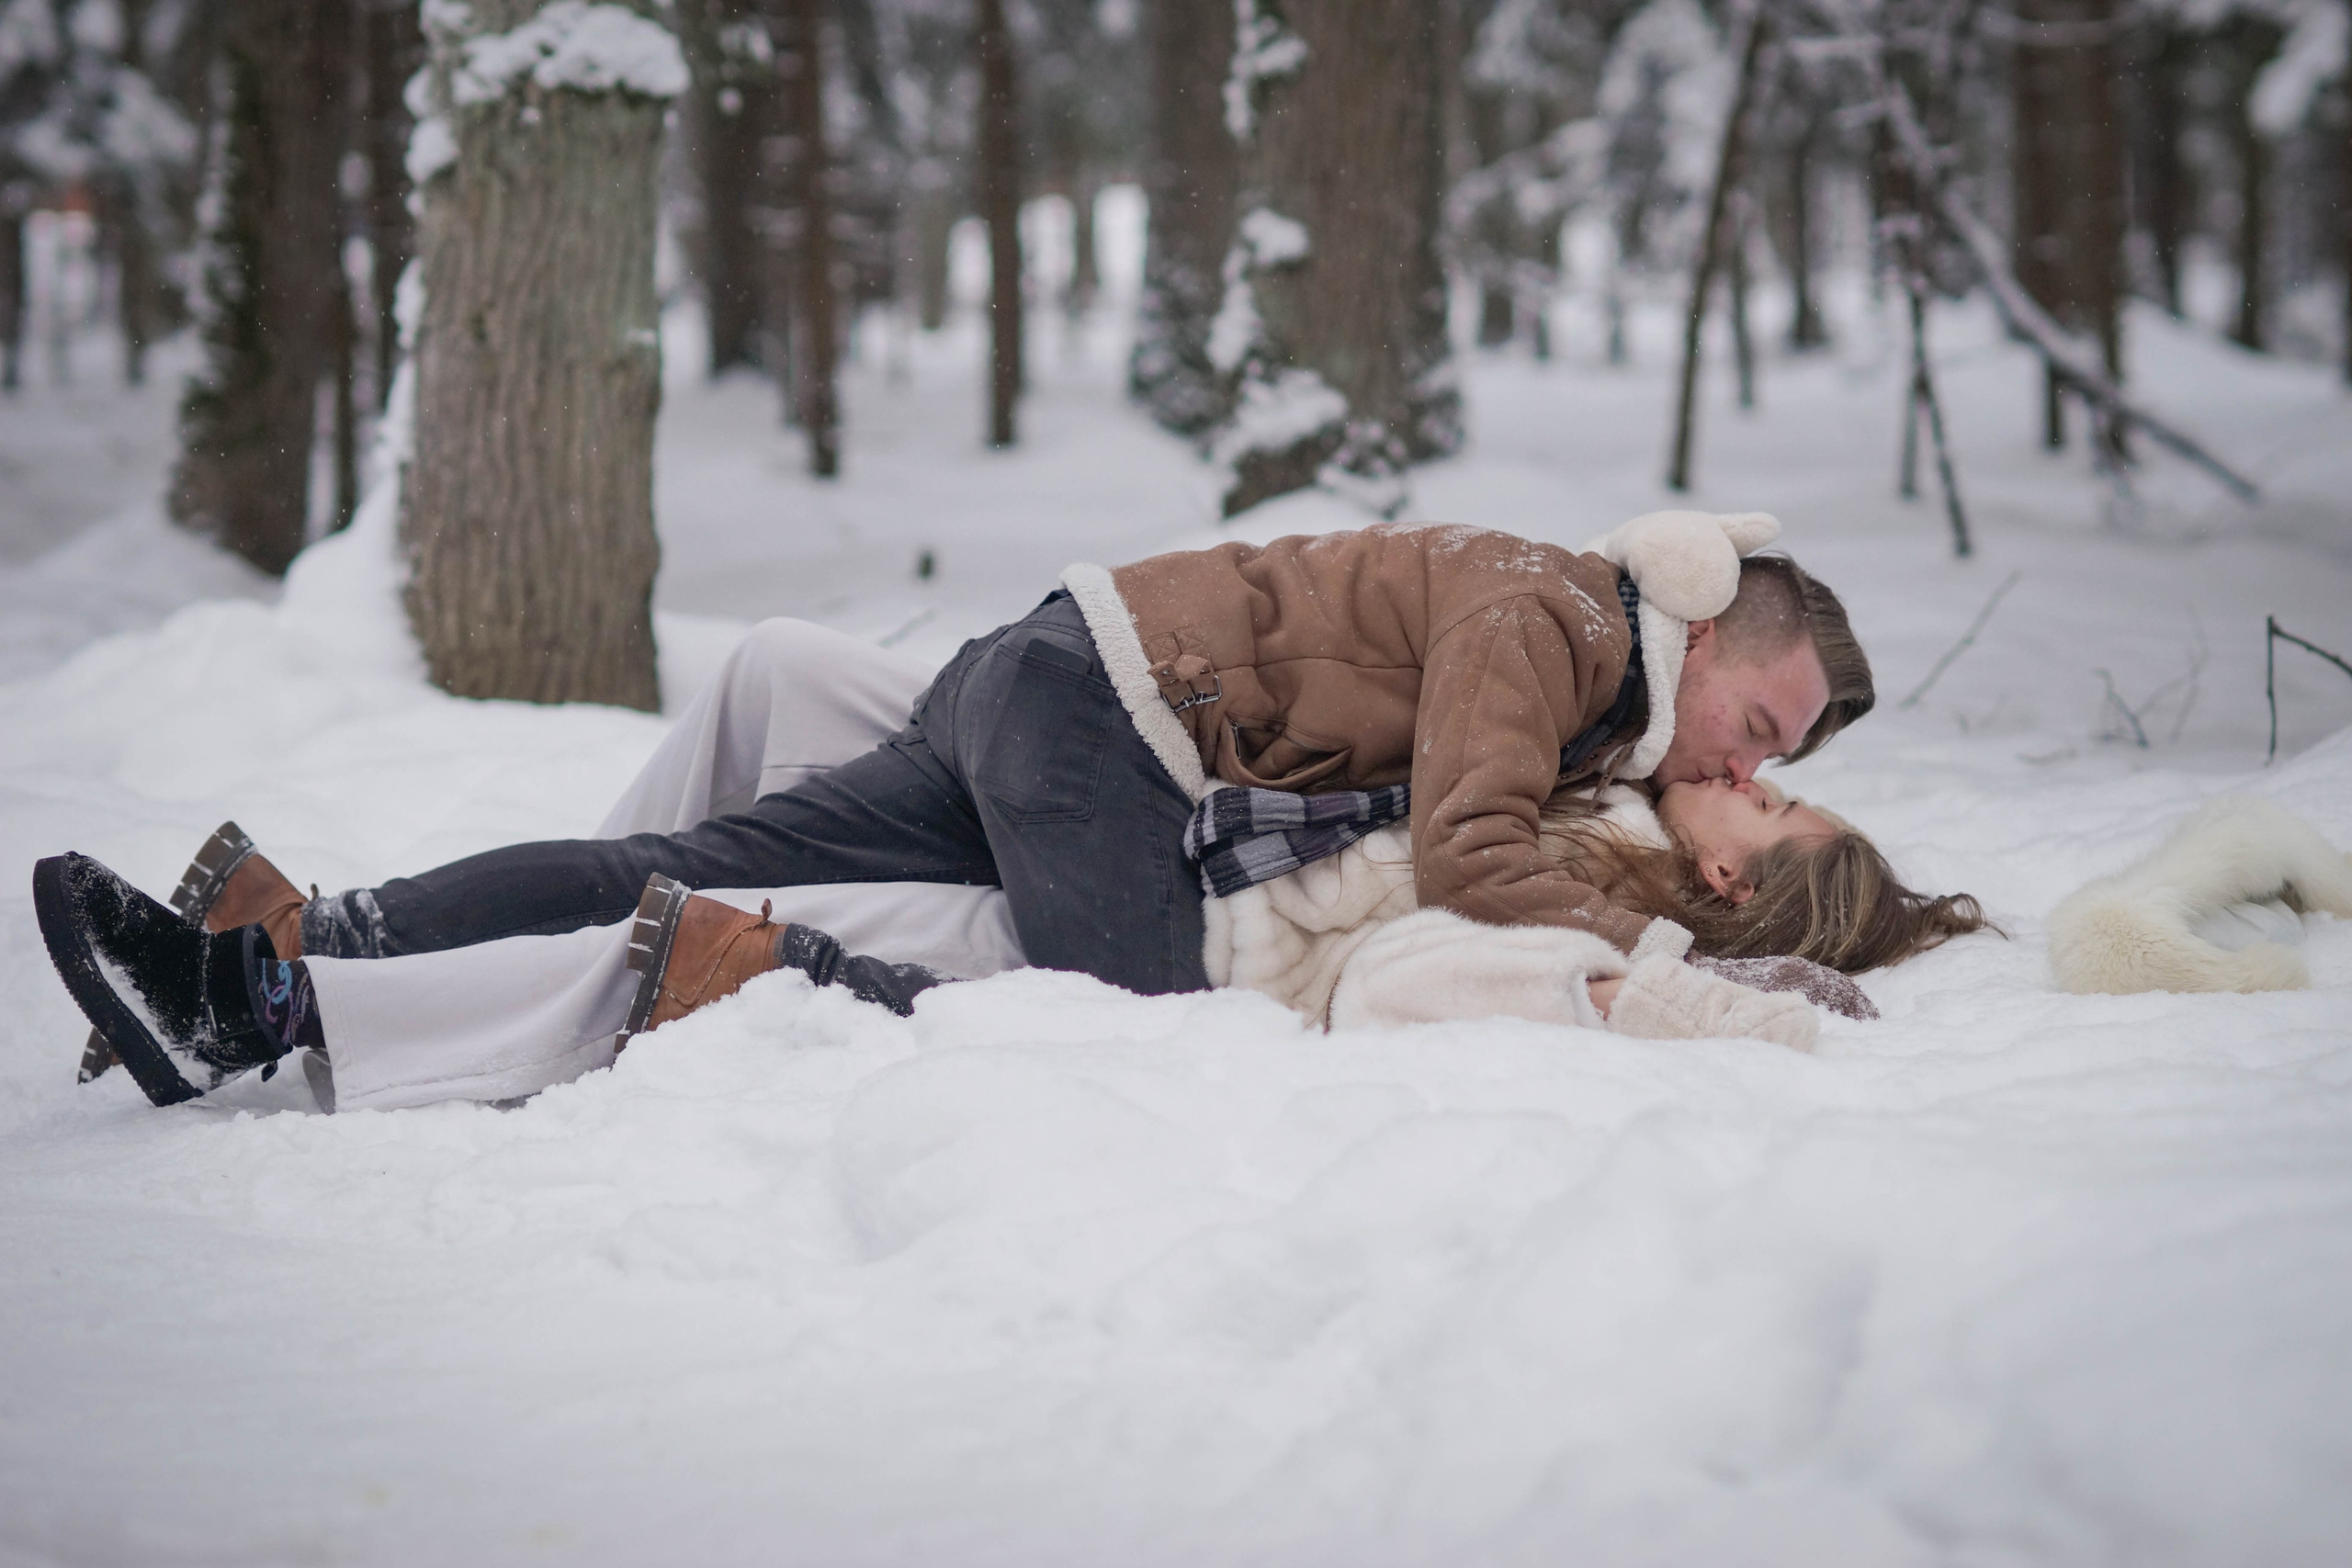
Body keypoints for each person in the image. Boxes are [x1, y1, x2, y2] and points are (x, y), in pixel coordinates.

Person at [44, 604, 1982, 1113]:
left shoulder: (1582, 898)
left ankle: (281, 1001)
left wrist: (1712, 1002)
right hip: (1137, 774)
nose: (1754, 775)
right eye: (1775, 754)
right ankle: (321, 942)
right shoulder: (1592, 729)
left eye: (1778, 797)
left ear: (1737, 882)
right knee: (778, 678)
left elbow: (1410, 980)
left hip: (1140, 907)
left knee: (723, 903)